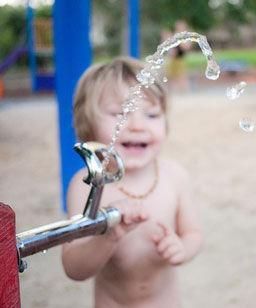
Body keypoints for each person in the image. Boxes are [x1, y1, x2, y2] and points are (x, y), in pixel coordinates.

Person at [62, 56, 203, 308]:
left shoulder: (175, 177)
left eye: (151, 114)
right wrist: (106, 237)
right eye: (121, 113)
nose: (137, 125)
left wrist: (181, 248)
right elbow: (74, 268)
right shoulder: (89, 186)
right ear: (88, 124)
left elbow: (193, 233)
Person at [162, 20, 191, 92]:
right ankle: (171, 91)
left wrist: (179, 42)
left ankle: (184, 90)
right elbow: (169, 47)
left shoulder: (185, 36)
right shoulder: (174, 35)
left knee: (181, 76)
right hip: (172, 59)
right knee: (170, 76)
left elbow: (186, 48)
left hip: (179, 59)